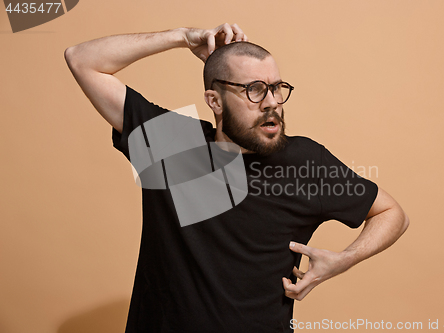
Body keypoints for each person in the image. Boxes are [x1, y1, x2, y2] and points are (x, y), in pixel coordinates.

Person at [65, 23, 409, 333]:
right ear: (214, 100)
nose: (271, 102)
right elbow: (82, 59)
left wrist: (344, 260)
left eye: (277, 88)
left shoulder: (306, 161)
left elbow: (392, 213)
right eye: (255, 89)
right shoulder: (172, 145)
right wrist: (181, 37)